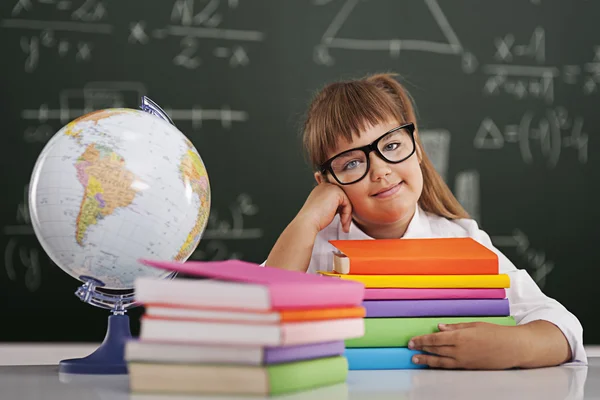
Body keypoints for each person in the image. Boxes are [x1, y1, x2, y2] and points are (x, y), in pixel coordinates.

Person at [265, 72, 586, 370]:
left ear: (416, 146)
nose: (380, 171)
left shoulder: (461, 240)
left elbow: (565, 329)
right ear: (326, 182)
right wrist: (307, 219)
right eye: (351, 164)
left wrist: (514, 346)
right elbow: (258, 320)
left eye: (391, 146)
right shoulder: (315, 247)